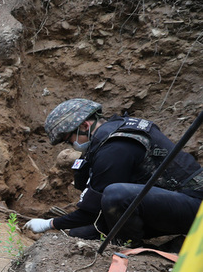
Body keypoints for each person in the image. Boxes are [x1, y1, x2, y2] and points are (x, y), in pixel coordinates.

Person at [26, 98, 203, 244]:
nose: (71, 145)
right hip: (167, 205)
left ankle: (129, 247)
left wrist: (50, 224)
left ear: (85, 126)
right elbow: (86, 189)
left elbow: (94, 210)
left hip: (195, 206)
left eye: (68, 140)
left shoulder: (115, 148)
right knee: (80, 234)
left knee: (115, 195)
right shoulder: (112, 135)